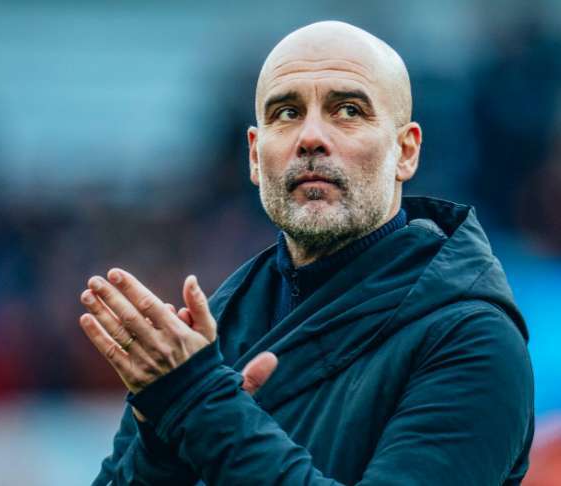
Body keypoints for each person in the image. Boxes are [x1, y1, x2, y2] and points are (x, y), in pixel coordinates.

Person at [78, 21, 535, 485]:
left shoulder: (473, 341)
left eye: (348, 110)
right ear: (255, 157)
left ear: (405, 152)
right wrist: (159, 451)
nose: (310, 137)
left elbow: (202, 406)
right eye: (287, 113)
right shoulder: (214, 330)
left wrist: (198, 404)